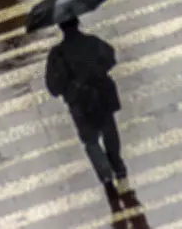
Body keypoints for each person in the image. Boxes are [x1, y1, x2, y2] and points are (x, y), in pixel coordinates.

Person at [45, 17, 128, 206]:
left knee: (91, 141)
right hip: (102, 97)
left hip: (80, 105)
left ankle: (105, 175)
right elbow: (110, 58)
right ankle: (118, 165)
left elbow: (53, 88)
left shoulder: (57, 54)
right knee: (110, 133)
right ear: (78, 22)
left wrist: (70, 85)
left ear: (61, 28)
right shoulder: (92, 42)